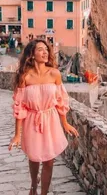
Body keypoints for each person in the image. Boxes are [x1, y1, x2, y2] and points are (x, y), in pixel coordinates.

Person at [8, 39, 79, 195]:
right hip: (31, 121)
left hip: (51, 120)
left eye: (47, 49)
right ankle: (34, 185)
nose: (45, 52)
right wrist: (16, 135)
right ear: (32, 54)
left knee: (49, 160)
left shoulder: (54, 74)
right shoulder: (25, 76)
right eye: (40, 49)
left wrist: (65, 123)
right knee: (34, 157)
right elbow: (20, 106)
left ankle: (44, 193)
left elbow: (61, 101)